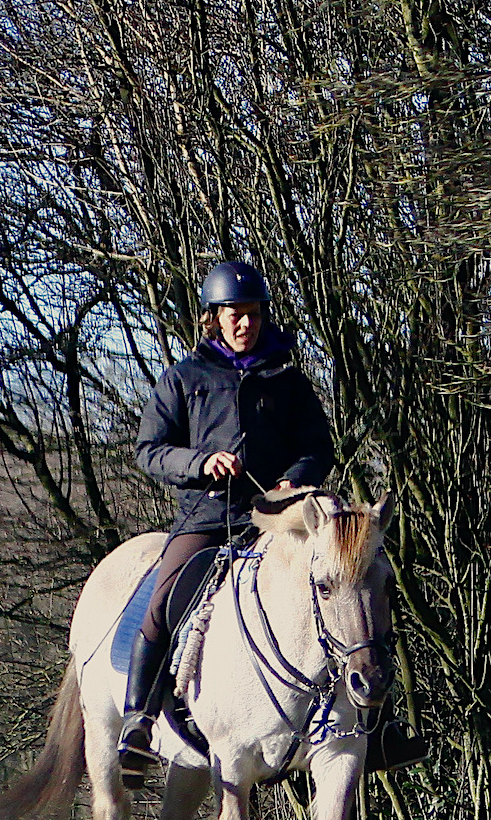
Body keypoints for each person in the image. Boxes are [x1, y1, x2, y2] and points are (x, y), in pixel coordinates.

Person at [123, 260, 424, 783]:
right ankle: (138, 723)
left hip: (285, 518)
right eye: (234, 314)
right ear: (213, 317)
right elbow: (149, 450)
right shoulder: (184, 378)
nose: (245, 323)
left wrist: (293, 479)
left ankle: (379, 728)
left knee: (356, 586)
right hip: (209, 516)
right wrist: (200, 463)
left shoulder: (288, 379)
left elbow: (318, 447)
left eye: (253, 314)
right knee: (163, 600)